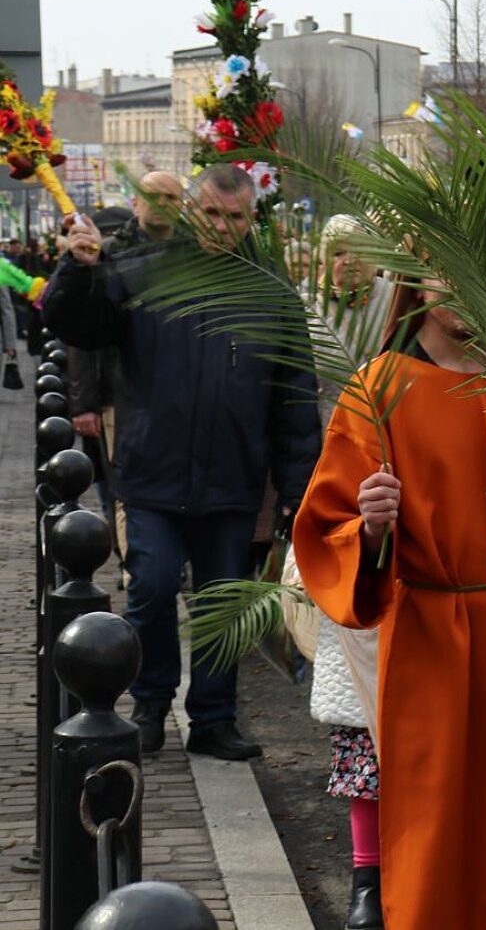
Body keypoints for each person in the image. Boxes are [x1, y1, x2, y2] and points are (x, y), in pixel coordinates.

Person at [294, 272, 486, 930]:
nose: (464, 284)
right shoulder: (379, 386)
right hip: (431, 638)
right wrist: (372, 525)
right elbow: (327, 528)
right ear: (416, 279)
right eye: (446, 267)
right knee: (432, 833)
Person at [44, 163, 319, 761]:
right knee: (152, 588)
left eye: (236, 216)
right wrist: (78, 266)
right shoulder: (142, 272)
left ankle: (214, 719)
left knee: (222, 602)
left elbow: (294, 400)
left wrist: (303, 490)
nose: (222, 226)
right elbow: (73, 323)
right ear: (192, 212)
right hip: (153, 472)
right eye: (212, 213)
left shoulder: (270, 294)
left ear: (252, 220)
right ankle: (148, 705)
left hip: (232, 479)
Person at [295, 213, 397, 930]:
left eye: (357, 255)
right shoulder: (312, 313)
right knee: (362, 733)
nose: (346, 267)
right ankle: (367, 872)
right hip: (355, 520)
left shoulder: (395, 309)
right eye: (336, 256)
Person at [67, 172, 183, 547]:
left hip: (173, 394)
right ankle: (133, 561)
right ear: (136, 202)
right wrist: (86, 402)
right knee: (124, 487)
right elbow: (81, 338)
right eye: (152, 196)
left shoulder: (191, 257)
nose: (162, 204)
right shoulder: (111, 258)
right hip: (119, 393)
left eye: (171, 196)